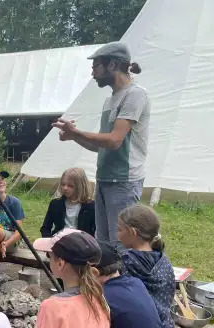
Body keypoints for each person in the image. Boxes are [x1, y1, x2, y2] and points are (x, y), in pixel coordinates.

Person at [52, 42, 149, 247]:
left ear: (112, 65)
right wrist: (73, 137)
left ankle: (127, 271)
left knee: (121, 244)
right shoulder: (109, 101)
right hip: (104, 178)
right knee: (103, 243)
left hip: (124, 181)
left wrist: (77, 132)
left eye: (95, 67)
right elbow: (101, 145)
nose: (93, 74)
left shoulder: (135, 95)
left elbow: (114, 140)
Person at [118, 204, 175, 328]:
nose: (117, 235)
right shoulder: (163, 260)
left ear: (132, 232)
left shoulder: (127, 261)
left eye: (119, 230)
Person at [40, 167, 95, 237]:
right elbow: (45, 228)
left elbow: (96, 231)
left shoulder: (91, 206)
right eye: (63, 184)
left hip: (82, 242)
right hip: (59, 240)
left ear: (80, 187)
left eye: (70, 186)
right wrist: (49, 240)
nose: (65, 188)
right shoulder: (55, 204)